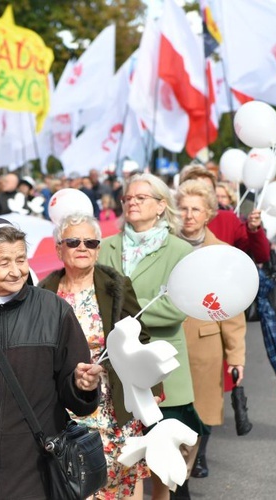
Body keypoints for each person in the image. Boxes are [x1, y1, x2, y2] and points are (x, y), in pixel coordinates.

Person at [0, 218, 102, 499]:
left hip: (39, 465)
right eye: (4, 262)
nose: (16, 270)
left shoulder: (53, 310)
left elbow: (75, 397)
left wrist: (83, 386)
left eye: (21, 259)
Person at [97, 173, 206, 500]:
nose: (132, 202)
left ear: (161, 206)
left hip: (163, 370)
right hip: (117, 371)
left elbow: (177, 309)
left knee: (165, 465)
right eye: (127, 198)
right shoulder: (106, 247)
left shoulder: (180, 250)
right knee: (124, 459)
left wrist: (123, 311)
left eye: (141, 197)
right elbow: (95, 299)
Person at [39, 214, 156, 500]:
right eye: (73, 241)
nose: (83, 247)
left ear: (98, 249)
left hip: (111, 404)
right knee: (74, 483)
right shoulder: (43, 292)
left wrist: (112, 363)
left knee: (117, 480)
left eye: (90, 242)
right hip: (66, 406)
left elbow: (141, 338)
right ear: (58, 249)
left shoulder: (115, 285)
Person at [175, 180, 246, 482]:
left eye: (195, 209)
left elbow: (232, 308)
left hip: (206, 340)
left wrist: (236, 356)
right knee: (173, 408)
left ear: (208, 214)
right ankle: (177, 468)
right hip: (170, 338)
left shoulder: (221, 253)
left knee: (204, 407)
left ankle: (198, 455)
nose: (189, 215)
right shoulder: (165, 246)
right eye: (183, 209)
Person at [179, 165, 270, 264]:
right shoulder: (170, 225)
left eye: (208, 191)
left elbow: (261, 256)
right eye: (196, 190)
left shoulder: (228, 219)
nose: (189, 215)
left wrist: (253, 230)